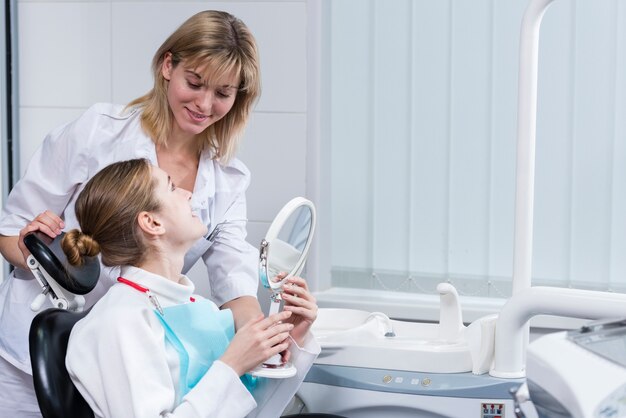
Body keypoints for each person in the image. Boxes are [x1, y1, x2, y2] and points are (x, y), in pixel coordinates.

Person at [0, 10, 267, 416]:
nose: (204, 104)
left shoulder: (228, 180)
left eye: (223, 93)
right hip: (34, 355)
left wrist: (266, 338)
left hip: (130, 366)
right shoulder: (99, 132)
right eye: (194, 83)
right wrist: (36, 250)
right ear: (167, 65)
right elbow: (10, 230)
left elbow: (236, 286)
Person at [61, 158, 319, 417]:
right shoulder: (118, 321)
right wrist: (231, 364)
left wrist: (293, 337)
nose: (188, 193)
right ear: (152, 223)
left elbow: (253, 410)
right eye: (172, 188)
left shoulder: (201, 310)